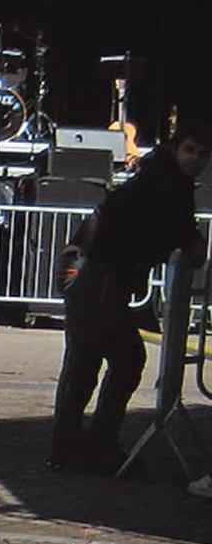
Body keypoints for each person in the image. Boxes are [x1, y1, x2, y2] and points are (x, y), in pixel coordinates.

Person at [52, 127, 208, 473]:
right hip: (98, 275)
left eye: (201, 154)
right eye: (189, 150)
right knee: (115, 357)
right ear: (176, 149)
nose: (194, 160)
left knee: (89, 359)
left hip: (93, 272)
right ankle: (90, 444)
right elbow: (182, 236)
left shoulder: (158, 176)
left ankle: (76, 444)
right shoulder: (168, 184)